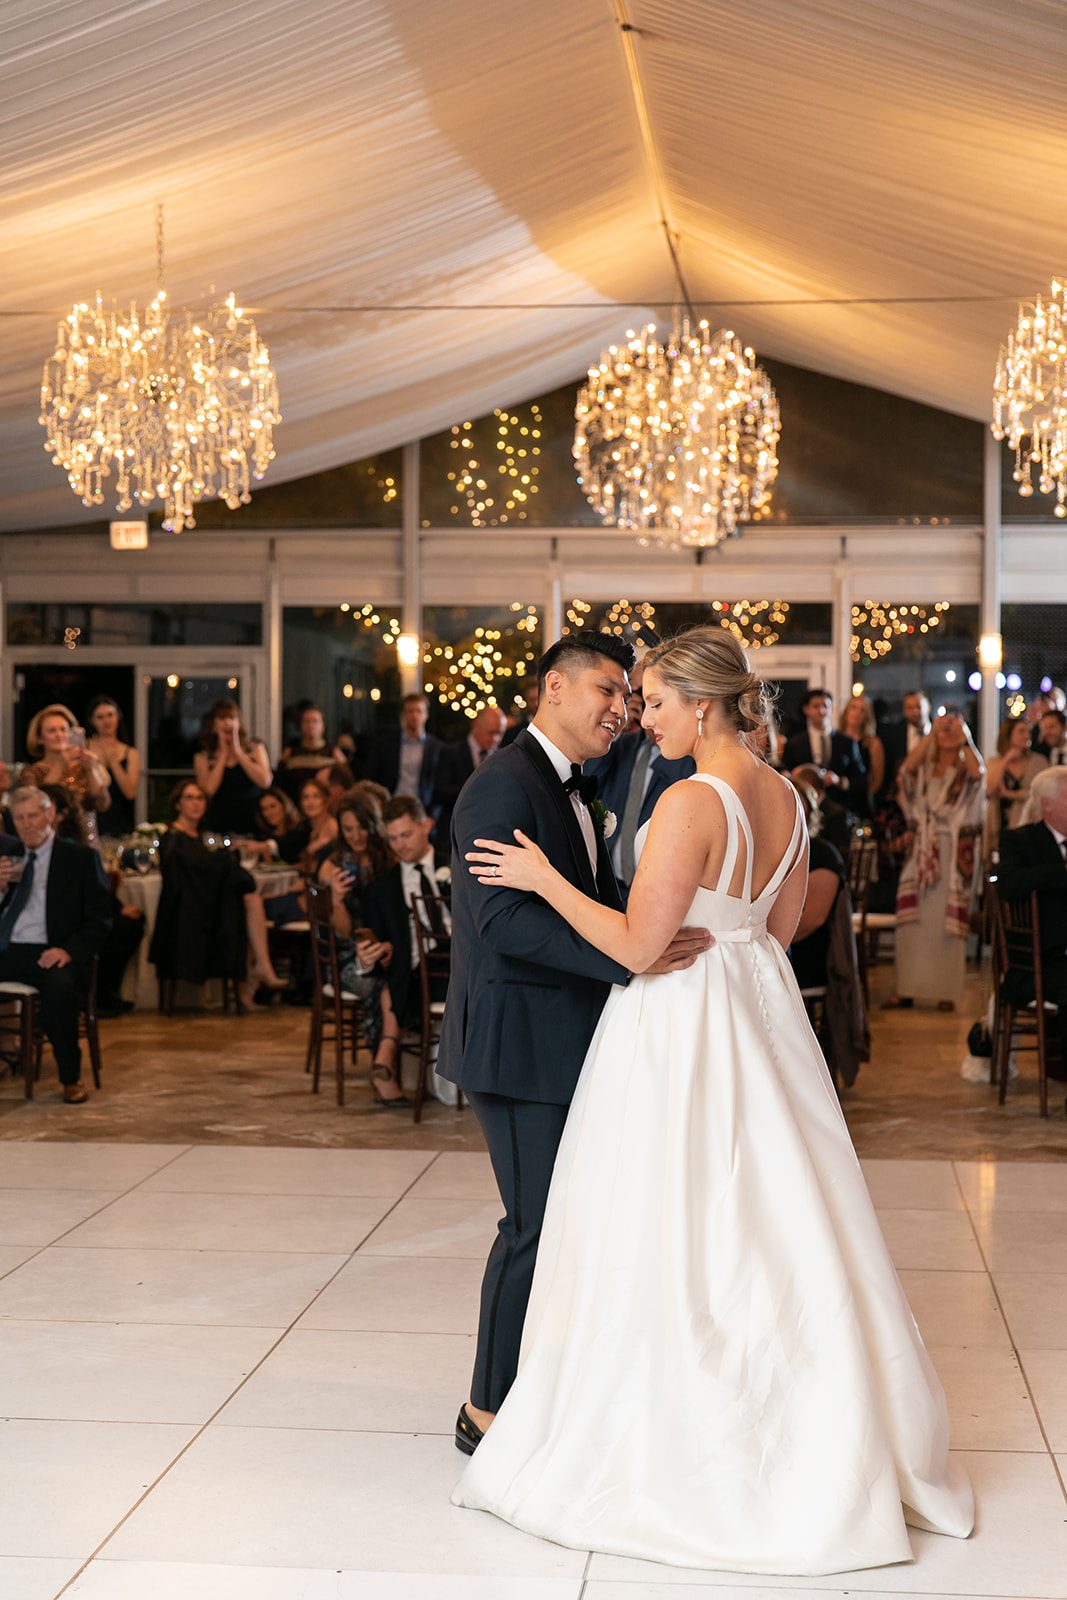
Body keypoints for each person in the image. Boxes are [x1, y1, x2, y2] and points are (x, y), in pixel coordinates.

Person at [450, 625, 973, 1574]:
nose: (637, 718)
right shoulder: (785, 794)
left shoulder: (693, 799)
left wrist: (540, 880)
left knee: (665, 1218)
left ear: (702, 705)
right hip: (759, 1019)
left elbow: (638, 949)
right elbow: (777, 928)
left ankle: (674, 1422)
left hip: (679, 1026)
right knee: (767, 1217)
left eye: (650, 701)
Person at [436, 630, 712, 1454]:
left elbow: (594, 894)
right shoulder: (501, 787)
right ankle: (484, 1410)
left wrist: (659, 918)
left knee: (568, 1221)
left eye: (629, 696)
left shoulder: (574, 786)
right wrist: (629, 958)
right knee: (532, 1223)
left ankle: (548, 1386)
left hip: (564, 1035)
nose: (621, 709)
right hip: (517, 1044)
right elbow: (504, 920)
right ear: (552, 687)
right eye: (606, 690)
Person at [0, 787, 112, 1102]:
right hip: (7, 947)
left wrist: (68, 951)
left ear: (49, 814)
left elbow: (101, 919)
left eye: (33, 816)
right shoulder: (7, 854)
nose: (26, 824)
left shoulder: (79, 858)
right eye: (19, 818)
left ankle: (70, 1078)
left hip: (52, 950)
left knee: (60, 992)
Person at [149, 779, 285, 1006]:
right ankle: (254, 977)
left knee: (248, 900)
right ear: (178, 804)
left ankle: (252, 981)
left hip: (206, 908)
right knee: (246, 899)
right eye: (189, 798)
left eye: (200, 798)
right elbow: (190, 879)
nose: (195, 803)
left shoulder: (199, 838)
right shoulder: (173, 839)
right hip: (188, 918)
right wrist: (228, 861)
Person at [358, 795, 451, 1106]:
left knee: (398, 980)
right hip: (415, 971)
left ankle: (386, 1053)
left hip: (463, 964)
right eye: (393, 838)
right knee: (402, 972)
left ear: (426, 826)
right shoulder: (381, 889)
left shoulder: (457, 866)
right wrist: (376, 949)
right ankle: (385, 1057)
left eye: (406, 835)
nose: (399, 845)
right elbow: (378, 941)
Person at [892, 710, 985, 1010]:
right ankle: (907, 988)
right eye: (943, 729)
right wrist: (933, 732)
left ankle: (945, 991)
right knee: (912, 921)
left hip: (950, 850)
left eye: (952, 730)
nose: (947, 733)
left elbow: (979, 773)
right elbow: (906, 769)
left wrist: (965, 737)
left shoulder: (963, 770)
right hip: (921, 849)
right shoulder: (925, 767)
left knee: (945, 922)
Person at [996, 765, 1067, 1078]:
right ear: (1048, 805)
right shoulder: (1021, 841)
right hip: (1040, 962)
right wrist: (1062, 874)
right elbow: (1009, 883)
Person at [321, 795, 395, 1071]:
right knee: (383, 984)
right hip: (348, 959)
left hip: (387, 948)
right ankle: (383, 1063)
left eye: (361, 827)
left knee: (400, 976)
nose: (356, 835)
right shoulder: (333, 865)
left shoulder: (389, 859)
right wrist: (337, 900)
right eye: (348, 829)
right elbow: (343, 932)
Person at [587, 718, 695, 891]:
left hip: (657, 884)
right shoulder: (623, 743)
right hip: (612, 878)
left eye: (656, 704)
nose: (646, 718)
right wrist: (616, 729)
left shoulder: (684, 754)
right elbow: (590, 779)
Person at [24, 703, 111, 848]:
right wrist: (60, 765)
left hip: (87, 846)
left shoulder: (82, 768)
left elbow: (103, 803)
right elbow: (35, 804)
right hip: (48, 847)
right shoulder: (32, 772)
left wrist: (91, 769)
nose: (59, 735)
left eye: (63, 729)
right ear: (39, 738)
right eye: (52, 731)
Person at [193, 699, 273, 837]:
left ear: (239, 722)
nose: (227, 723)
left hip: (254, 822)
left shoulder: (255, 748)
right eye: (221, 718)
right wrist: (223, 755)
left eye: (231, 718)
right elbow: (208, 791)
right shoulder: (204, 757)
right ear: (213, 724)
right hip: (218, 823)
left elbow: (265, 781)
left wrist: (238, 752)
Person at [782, 688, 869, 814]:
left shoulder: (847, 742)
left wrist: (839, 781)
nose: (822, 711)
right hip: (803, 809)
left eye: (825, 706)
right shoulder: (794, 743)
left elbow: (861, 780)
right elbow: (786, 773)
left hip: (839, 808)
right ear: (807, 710)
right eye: (816, 706)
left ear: (831, 708)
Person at [363, 693, 443, 810]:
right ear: (403, 715)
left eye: (419, 711)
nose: (414, 716)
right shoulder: (385, 745)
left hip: (423, 808)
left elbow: (440, 785)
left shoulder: (437, 747)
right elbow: (370, 777)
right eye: (410, 711)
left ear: (426, 715)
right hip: (391, 804)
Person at [984, 716, 1048, 863]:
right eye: (1021, 731)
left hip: (1027, 824)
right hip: (999, 823)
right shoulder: (994, 762)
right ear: (1008, 734)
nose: (1027, 735)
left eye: (1028, 731)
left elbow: (1042, 793)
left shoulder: (1039, 761)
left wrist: (1011, 794)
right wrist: (1006, 760)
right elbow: (989, 790)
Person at [85, 696, 140, 837]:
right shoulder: (84, 748)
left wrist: (113, 761)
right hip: (89, 817)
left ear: (118, 717)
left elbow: (130, 793)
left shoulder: (131, 753)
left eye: (110, 715)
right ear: (93, 721)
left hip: (120, 820)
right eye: (100, 717)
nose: (106, 721)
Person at [273, 705, 345, 802]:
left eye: (315, 721)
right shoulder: (290, 751)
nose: (310, 725)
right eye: (306, 721)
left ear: (323, 726)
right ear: (300, 725)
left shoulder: (333, 752)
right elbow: (279, 782)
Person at [882, 690, 932, 795]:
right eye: (909, 707)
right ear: (904, 711)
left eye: (918, 706)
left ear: (928, 707)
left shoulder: (940, 734)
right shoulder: (893, 736)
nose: (914, 711)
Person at [839, 692, 885, 800]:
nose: (857, 713)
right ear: (846, 712)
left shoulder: (873, 743)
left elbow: (877, 779)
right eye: (853, 708)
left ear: (867, 716)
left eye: (862, 710)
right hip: (839, 798)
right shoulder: (836, 738)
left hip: (862, 799)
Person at [500, 675, 541, 746]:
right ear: (526, 700)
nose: (535, 704)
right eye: (532, 700)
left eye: (538, 699)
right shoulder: (515, 732)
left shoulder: (556, 725)